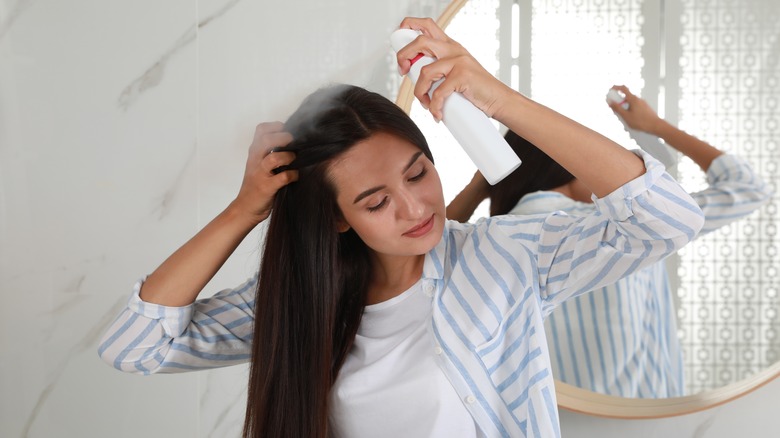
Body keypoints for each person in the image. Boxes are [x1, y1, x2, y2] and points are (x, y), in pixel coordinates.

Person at [98, 18, 705, 438]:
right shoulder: (300, 299)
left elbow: (668, 220)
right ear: (336, 216)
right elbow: (135, 347)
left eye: (418, 173)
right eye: (375, 200)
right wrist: (245, 209)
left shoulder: (502, 258)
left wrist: (496, 98)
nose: (415, 208)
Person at [447, 85, 772, 398]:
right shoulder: (638, 220)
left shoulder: (492, 241)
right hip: (653, 423)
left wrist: (483, 182)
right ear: (570, 163)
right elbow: (747, 189)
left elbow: (429, 257)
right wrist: (654, 126)